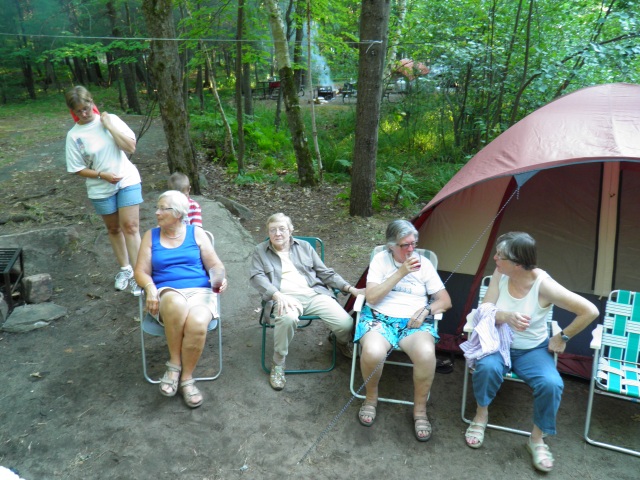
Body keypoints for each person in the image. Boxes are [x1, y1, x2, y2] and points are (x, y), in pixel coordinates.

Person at [461, 232, 599, 472]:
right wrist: (505, 316)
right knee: (486, 367)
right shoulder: (500, 273)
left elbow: (590, 310)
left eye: (500, 256)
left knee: (551, 384)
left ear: (517, 263)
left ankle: (536, 439)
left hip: (531, 350)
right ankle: (481, 416)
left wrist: (562, 336)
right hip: (498, 344)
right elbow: (485, 308)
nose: (494, 258)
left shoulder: (544, 285)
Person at [355, 219, 452, 442]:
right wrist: (400, 273)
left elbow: (445, 300)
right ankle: (370, 399)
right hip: (379, 318)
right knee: (371, 352)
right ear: (391, 245)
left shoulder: (424, 264)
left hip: (413, 322)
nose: (411, 250)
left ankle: (419, 411)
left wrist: (426, 310)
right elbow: (371, 297)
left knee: (427, 354)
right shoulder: (380, 261)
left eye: (413, 244)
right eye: (404, 245)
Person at [249, 212, 364, 391]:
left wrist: (350, 288)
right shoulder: (260, 251)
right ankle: (278, 363)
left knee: (346, 324)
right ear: (268, 232)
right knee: (287, 319)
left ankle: (339, 341)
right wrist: (277, 295)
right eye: (273, 230)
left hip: (313, 294)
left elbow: (324, 272)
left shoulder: (304, 247)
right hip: (284, 298)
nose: (278, 233)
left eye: (282, 229)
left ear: (291, 230)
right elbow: (257, 277)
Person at [134, 190, 227, 408]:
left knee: (197, 322)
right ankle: (174, 364)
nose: (156, 213)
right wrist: (149, 288)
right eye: (157, 208)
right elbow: (140, 271)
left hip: (200, 292)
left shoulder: (196, 233)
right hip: (167, 292)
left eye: (162, 208)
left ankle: (186, 378)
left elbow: (216, 266)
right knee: (176, 304)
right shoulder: (151, 235)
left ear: (177, 214)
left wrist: (220, 279)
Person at [65, 86, 142, 291]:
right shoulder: (74, 136)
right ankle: (126, 269)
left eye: (87, 107)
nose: (84, 113)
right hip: (100, 187)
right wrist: (101, 175)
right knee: (114, 228)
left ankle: (140, 274)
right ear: (72, 112)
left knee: (131, 227)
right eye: (78, 111)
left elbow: (131, 147)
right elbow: (76, 169)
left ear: (92, 102)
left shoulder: (111, 120)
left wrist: (109, 126)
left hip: (127, 179)